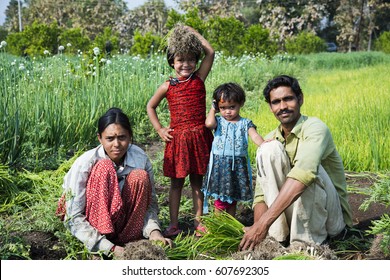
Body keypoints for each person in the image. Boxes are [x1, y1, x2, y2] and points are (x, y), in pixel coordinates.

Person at [239, 75, 353, 250]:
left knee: (308, 172)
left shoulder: (315, 128)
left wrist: (262, 225)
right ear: (270, 107)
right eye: (276, 102)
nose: (283, 106)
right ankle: (276, 239)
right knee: (268, 149)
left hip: (330, 220)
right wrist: (256, 230)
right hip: (292, 215)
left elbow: (304, 174)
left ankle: (308, 244)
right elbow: (262, 193)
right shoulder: (270, 139)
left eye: (288, 99)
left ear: (300, 99)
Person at [57, 108, 172, 259]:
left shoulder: (139, 158)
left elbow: (149, 203)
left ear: (130, 136)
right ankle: (102, 247)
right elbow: (73, 215)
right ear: (100, 138)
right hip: (93, 226)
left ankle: (128, 242)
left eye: (122, 137)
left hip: (126, 225)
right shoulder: (86, 163)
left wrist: (154, 231)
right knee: (104, 168)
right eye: (110, 138)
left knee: (140, 176)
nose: (116, 144)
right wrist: (108, 248)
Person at [146, 25, 214, 237]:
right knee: (175, 185)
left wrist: (190, 32)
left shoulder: (198, 79)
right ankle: (173, 224)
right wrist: (159, 129)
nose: (186, 64)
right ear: (172, 62)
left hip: (199, 138)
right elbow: (150, 106)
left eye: (190, 59)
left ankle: (198, 223)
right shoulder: (168, 85)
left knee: (197, 183)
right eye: (180, 60)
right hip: (178, 140)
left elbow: (210, 52)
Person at [202, 83, 265, 217]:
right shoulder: (218, 121)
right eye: (223, 108)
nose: (227, 111)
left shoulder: (245, 123)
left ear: (241, 103)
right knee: (220, 199)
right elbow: (208, 124)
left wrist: (265, 145)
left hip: (237, 166)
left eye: (232, 107)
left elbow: (254, 136)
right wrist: (213, 109)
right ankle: (218, 225)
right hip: (220, 165)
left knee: (233, 197)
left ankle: (230, 223)